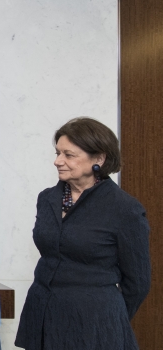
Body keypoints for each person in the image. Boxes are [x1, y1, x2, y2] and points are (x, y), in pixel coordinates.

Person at [15, 117, 150, 350]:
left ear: (99, 158)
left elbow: (138, 282)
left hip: (94, 325)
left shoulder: (124, 209)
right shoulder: (47, 198)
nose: (58, 161)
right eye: (57, 153)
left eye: (69, 155)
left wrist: (110, 318)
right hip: (42, 316)